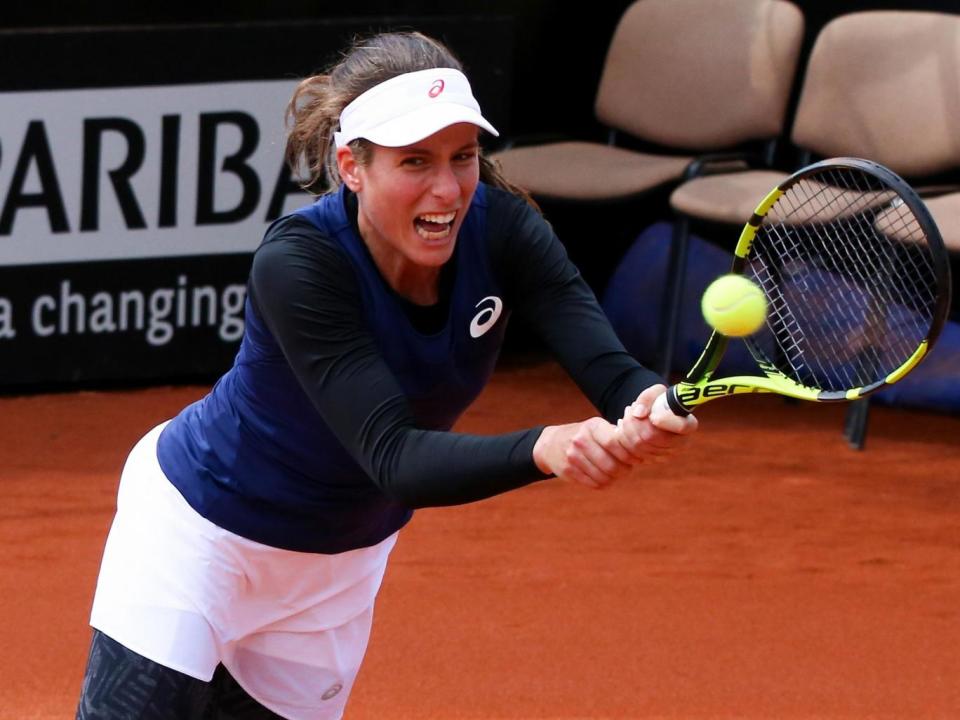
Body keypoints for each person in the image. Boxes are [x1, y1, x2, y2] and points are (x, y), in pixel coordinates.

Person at [75, 30, 698, 720]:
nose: (447, 188)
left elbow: (607, 367)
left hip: (336, 571)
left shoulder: (506, 230)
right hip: (199, 536)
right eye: (415, 161)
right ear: (351, 166)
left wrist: (643, 401)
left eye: (463, 157)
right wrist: (544, 448)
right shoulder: (301, 264)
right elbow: (393, 456)